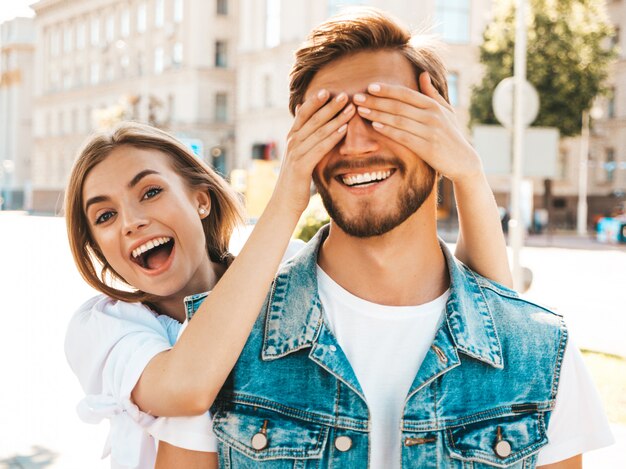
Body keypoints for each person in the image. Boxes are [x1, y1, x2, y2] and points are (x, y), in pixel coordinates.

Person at [160, 7, 614, 469]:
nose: (355, 145)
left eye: (384, 114)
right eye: (329, 120)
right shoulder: (221, 347)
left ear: (441, 132)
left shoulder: (540, 352)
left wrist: (469, 172)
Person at [64, 108, 511, 468]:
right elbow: (188, 387)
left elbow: (487, 313)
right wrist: (290, 195)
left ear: (201, 199)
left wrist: (468, 173)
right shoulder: (103, 327)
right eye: (104, 217)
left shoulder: (288, 267)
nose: (132, 222)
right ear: (98, 248)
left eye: (150, 192)